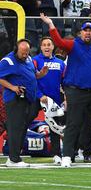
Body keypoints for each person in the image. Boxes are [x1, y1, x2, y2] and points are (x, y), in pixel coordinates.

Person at [40, 14, 91, 168]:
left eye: (90, 30)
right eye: (85, 30)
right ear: (80, 33)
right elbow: (58, 42)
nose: (88, 33)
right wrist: (50, 24)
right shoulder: (74, 45)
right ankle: (67, 156)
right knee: (74, 123)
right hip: (76, 90)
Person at [0, 39, 48, 167]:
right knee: (15, 129)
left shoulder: (29, 59)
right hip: (15, 99)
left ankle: (15, 156)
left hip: (28, 99)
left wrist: (41, 74)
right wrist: (12, 87)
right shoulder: (7, 61)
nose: (25, 54)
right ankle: (13, 159)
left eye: (27, 52)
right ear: (16, 50)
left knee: (21, 128)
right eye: (22, 52)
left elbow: (34, 75)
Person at [32, 37, 66, 165]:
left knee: (55, 128)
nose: (46, 47)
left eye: (49, 45)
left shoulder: (61, 63)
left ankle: (57, 155)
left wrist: (66, 97)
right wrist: (40, 95)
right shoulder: (35, 61)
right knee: (25, 123)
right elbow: (32, 80)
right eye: (44, 45)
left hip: (54, 101)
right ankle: (15, 152)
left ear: (53, 47)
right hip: (37, 99)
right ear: (40, 47)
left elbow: (65, 82)